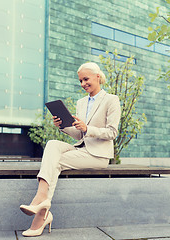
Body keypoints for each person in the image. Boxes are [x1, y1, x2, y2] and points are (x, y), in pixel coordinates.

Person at [19, 62, 121, 237]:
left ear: (98, 76)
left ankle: (40, 211)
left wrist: (87, 128)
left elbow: (112, 133)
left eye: (86, 79)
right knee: (52, 144)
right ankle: (42, 202)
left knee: (55, 163)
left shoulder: (111, 100)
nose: (83, 84)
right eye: (80, 80)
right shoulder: (81, 103)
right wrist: (63, 126)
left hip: (98, 155)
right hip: (81, 149)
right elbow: (80, 136)